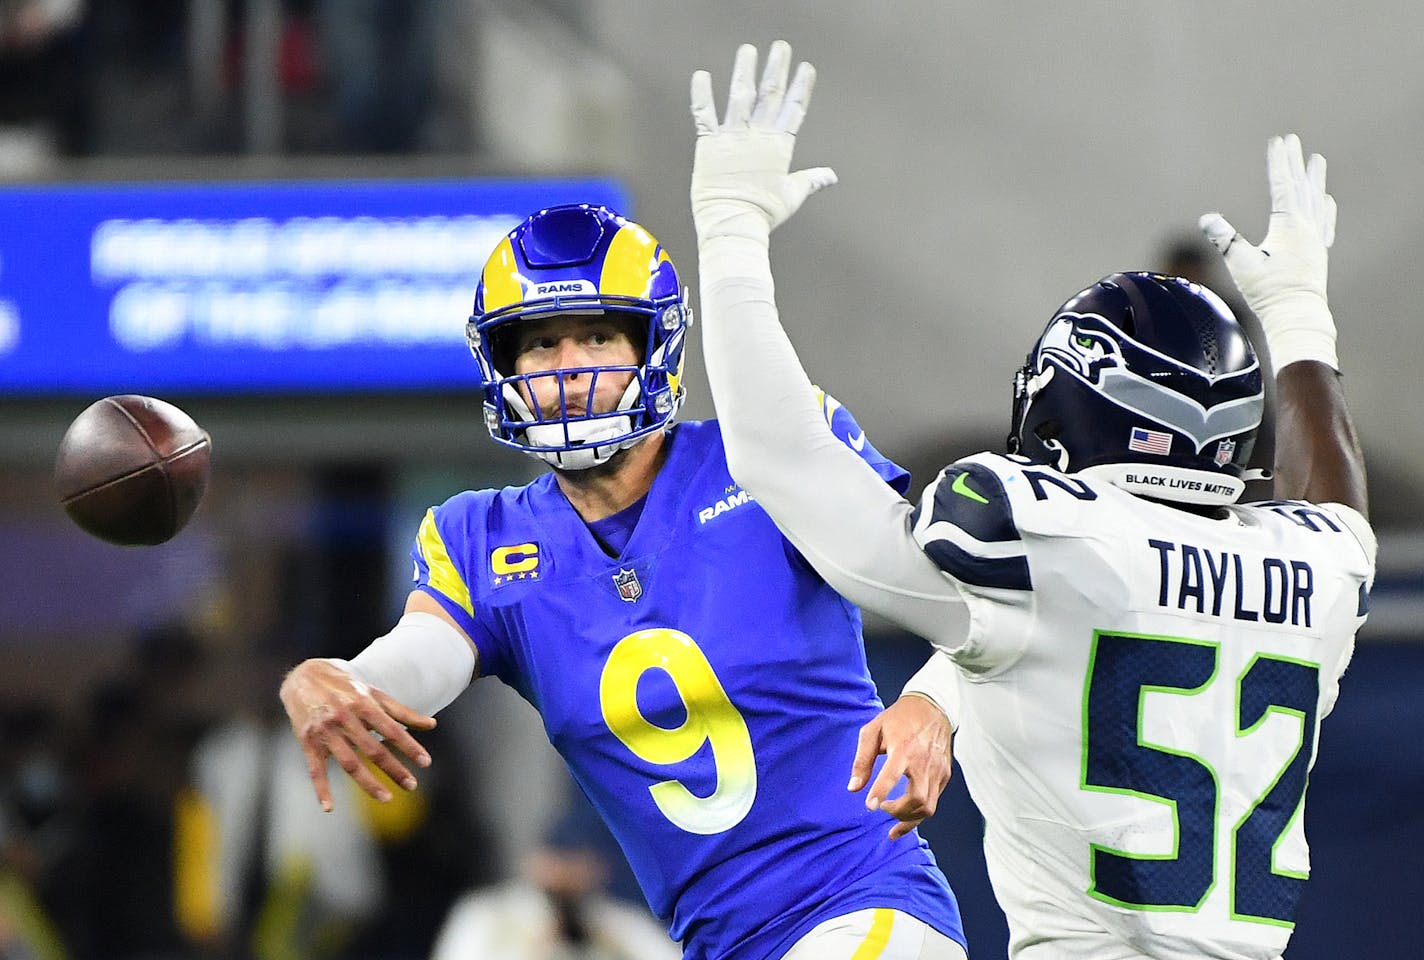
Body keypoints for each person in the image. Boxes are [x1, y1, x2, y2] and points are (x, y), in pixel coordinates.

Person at [691, 41, 1374, 960]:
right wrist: (1300, 314)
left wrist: (730, 233)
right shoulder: (1315, 566)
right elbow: (1335, 505)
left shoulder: (1043, 542)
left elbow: (781, 457)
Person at [279, 200, 972, 958]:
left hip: (862, 902)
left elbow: (979, 607)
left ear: (654, 345)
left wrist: (933, 700)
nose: (570, 369)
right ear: (503, 365)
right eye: (541, 344)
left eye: (598, 336)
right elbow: (417, 666)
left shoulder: (766, 456)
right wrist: (335, 680)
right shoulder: (479, 537)